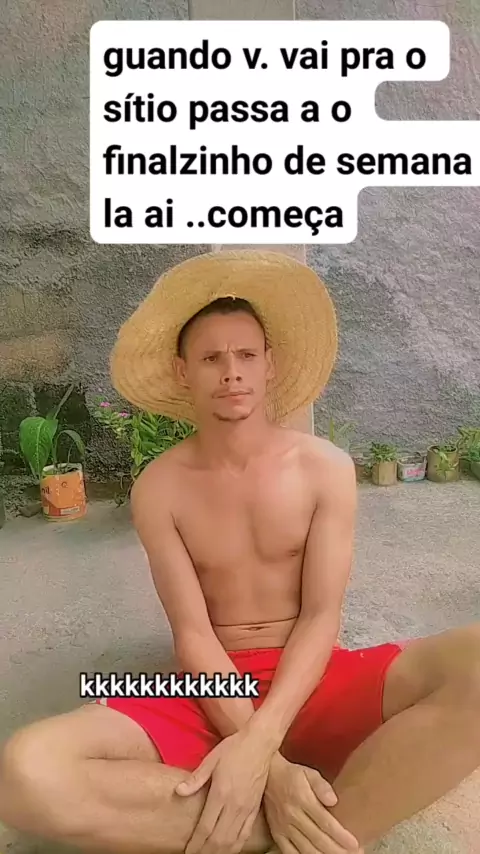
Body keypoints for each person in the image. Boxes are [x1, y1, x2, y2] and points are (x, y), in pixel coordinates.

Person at [0, 250, 479, 854]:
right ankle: (302, 820)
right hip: (205, 693)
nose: (231, 373)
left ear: (269, 365)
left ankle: (311, 832)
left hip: (316, 676)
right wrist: (271, 768)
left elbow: (320, 617)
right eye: (211, 359)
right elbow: (193, 635)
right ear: (183, 372)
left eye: (246, 355)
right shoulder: (160, 488)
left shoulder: (325, 469)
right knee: (26, 772)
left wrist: (258, 745)